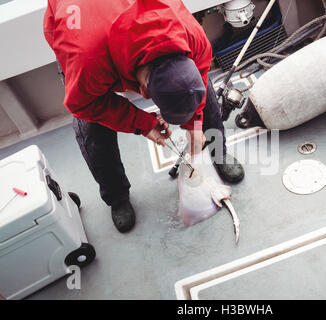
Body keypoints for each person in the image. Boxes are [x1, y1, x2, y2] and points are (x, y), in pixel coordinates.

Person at [43, 0, 245, 233]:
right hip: (77, 25)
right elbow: (84, 105)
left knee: (201, 89)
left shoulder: (190, 33)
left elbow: (198, 75)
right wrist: (144, 125)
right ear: (144, 92)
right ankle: (117, 197)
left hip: (118, 29)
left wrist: (195, 124)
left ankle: (219, 153)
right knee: (91, 125)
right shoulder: (88, 62)